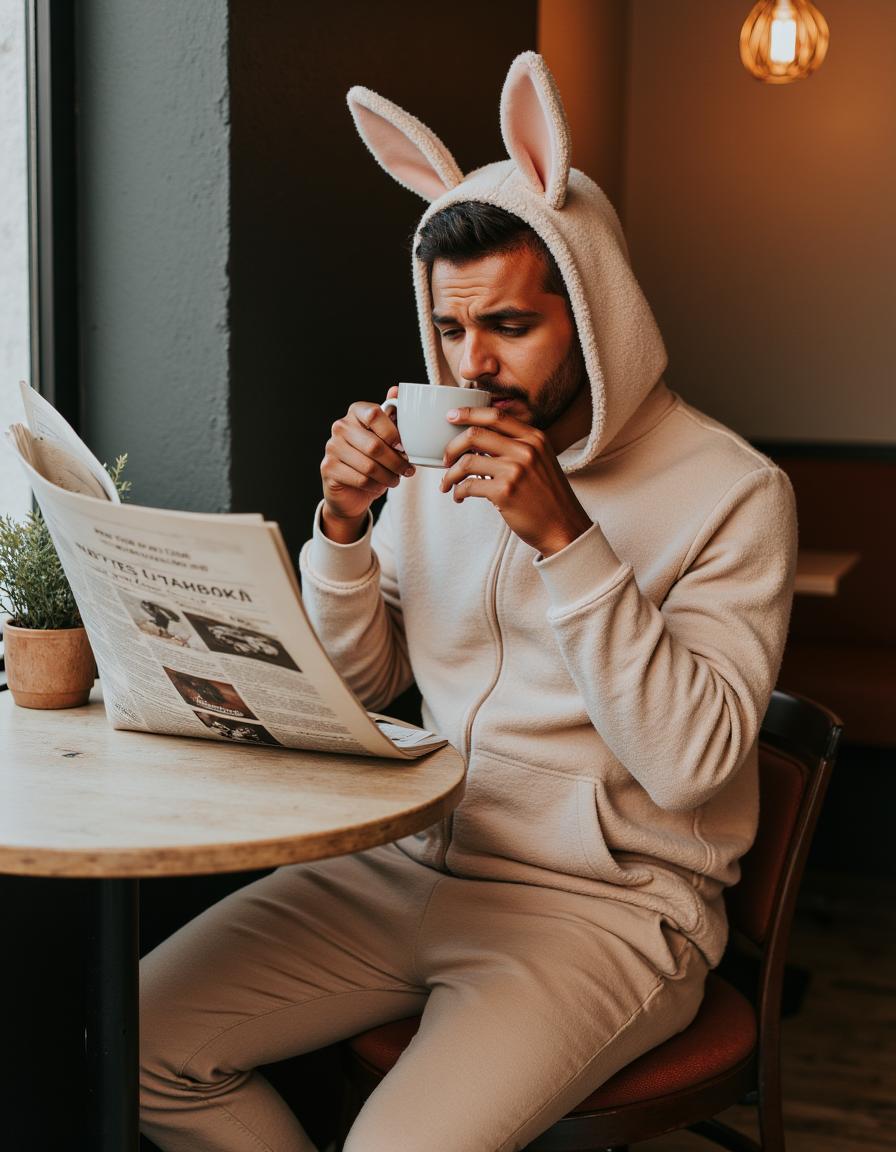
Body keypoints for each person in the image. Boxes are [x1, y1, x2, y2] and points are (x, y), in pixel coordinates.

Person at [139, 53, 797, 1152]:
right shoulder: (430, 465)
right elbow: (356, 693)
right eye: (450, 331)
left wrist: (563, 537)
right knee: (134, 1037)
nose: (470, 364)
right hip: (394, 863)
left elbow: (691, 764)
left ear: (592, 313)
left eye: (508, 327)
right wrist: (341, 533)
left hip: (605, 913)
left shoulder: (732, 493)